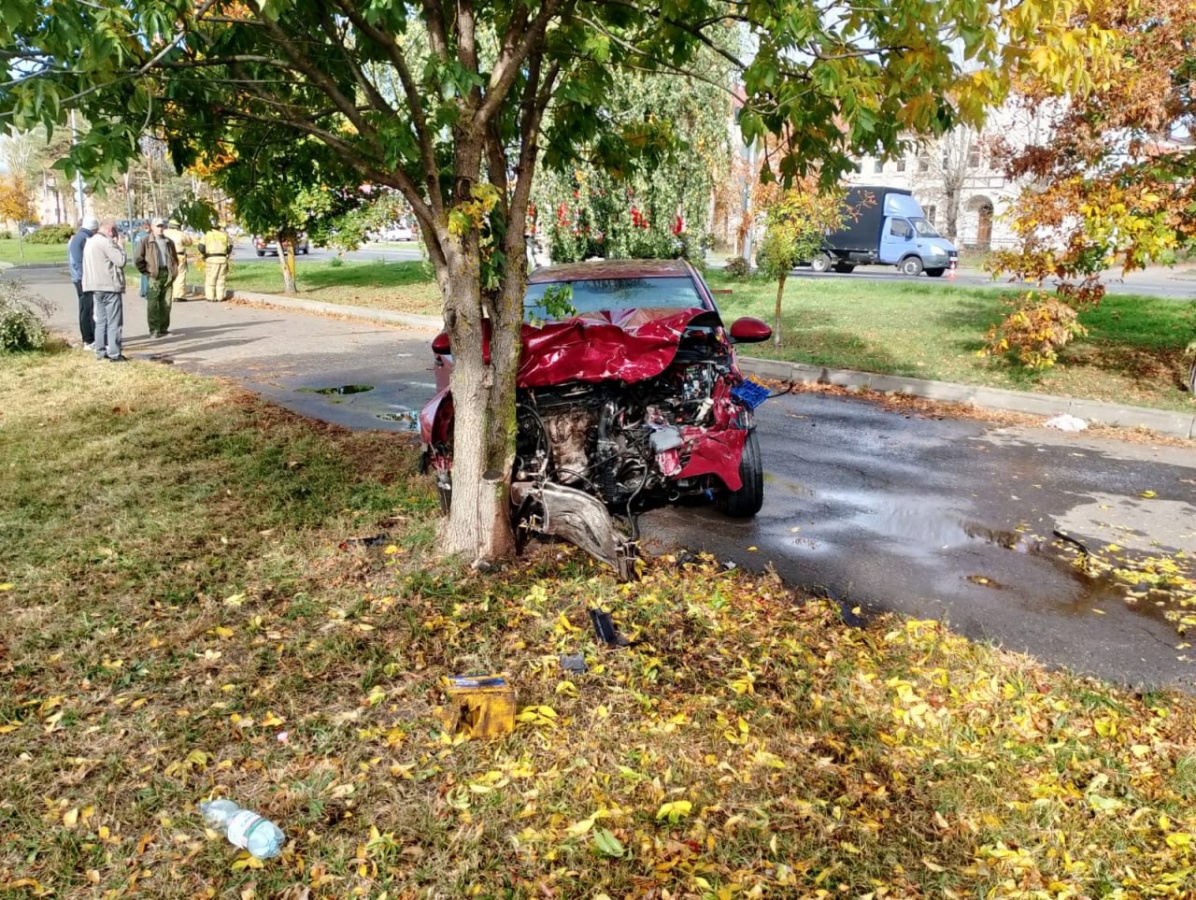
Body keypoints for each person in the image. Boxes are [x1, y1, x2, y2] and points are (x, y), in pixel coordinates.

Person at [82, 218, 128, 362]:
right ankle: (114, 353)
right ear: (110, 229)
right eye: (115, 230)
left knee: (101, 321)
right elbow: (121, 261)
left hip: (95, 286)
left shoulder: (90, 241)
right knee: (114, 322)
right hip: (109, 286)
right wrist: (120, 246)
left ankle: (100, 352)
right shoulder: (106, 242)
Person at [134, 217, 179, 338]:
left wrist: (174, 272)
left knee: (166, 303)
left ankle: (163, 328)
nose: (160, 228)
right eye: (158, 226)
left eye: (162, 226)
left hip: (167, 274)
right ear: (152, 227)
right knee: (153, 304)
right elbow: (138, 259)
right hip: (154, 275)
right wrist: (146, 272)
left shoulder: (169, 242)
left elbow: (174, 258)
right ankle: (154, 330)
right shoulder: (145, 241)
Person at [67, 215, 100, 350]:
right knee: (88, 308)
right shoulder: (86, 238)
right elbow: (85, 260)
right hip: (84, 278)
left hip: (78, 277)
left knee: (84, 308)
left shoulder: (77, 237)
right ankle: (89, 339)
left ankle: (88, 338)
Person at [198, 223, 232, 301]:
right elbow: (230, 247)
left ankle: (210, 297)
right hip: (223, 259)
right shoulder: (224, 235)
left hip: (211, 259)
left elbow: (201, 247)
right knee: (221, 279)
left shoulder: (207, 234)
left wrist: (204, 254)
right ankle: (220, 297)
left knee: (210, 278)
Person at [163, 219, 192, 301]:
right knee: (180, 275)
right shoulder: (181, 234)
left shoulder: (164, 233)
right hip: (179, 256)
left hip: (166, 256)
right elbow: (189, 242)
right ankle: (178, 296)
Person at [132, 221, 152, 299]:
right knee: (147, 274)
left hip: (139, 257)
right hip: (146, 257)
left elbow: (135, 245)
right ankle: (147, 292)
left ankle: (143, 291)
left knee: (144, 274)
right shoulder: (147, 235)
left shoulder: (139, 235)